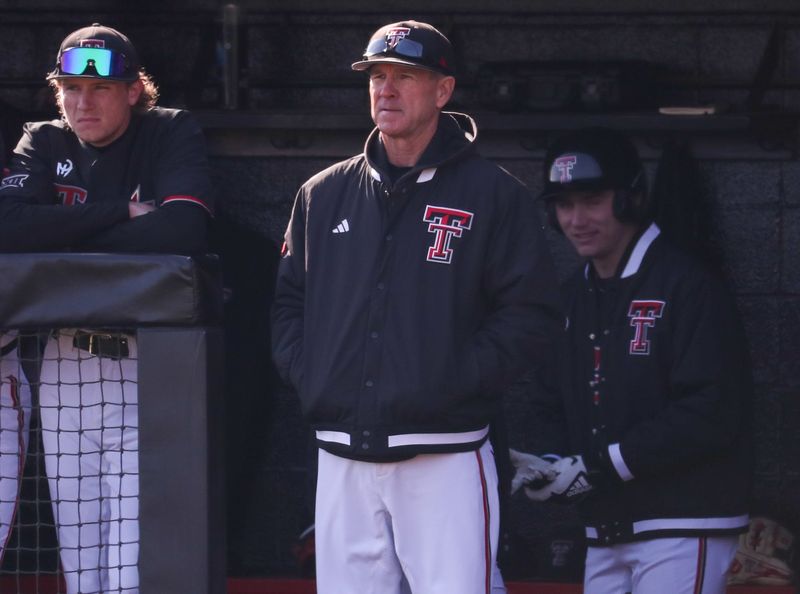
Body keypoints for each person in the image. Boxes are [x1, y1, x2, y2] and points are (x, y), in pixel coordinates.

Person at [271, 20, 561, 594]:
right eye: (377, 76)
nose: (387, 89)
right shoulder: (322, 193)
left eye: (405, 76)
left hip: (445, 454)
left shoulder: (494, 194)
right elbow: (287, 306)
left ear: (443, 91)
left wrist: (451, 383)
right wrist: (318, 382)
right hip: (342, 454)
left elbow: (531, 314)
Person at [0, 23, 213, 593]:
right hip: (66, 361)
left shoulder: (169, 131)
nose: (83, 102)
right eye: (71, 88)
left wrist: (61, 244)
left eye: (100, 89)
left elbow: (186, 230)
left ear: (134, 91)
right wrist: (122, 212)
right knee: (81, 564)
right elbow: (9, 230)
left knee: (129, 567)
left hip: (150, 364)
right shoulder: (43, 139)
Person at [510, 127, 752, 594]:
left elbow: (712, 411)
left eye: (592, 199)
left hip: (685, 525)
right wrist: (554, 465)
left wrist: (600, 466)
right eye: (563, 204)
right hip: (605, 529)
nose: (576, 218)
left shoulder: (688, 283)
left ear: (630, 198)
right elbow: (547, 402)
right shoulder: (571, 297)